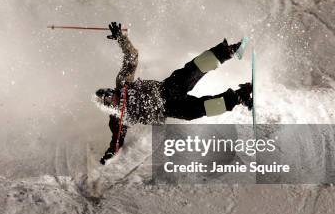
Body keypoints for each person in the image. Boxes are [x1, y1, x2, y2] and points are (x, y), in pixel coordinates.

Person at [96, 22, 252, 165]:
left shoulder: (122, 83)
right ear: (108, 106)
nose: (112, 97)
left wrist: (121, 38)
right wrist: (109, 155)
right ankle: (239, 96)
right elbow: (116, 143)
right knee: (196, 111)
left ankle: (229, 50)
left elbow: (132, 57)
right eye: (109, 100)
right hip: (167, 109)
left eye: (110, 93)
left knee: (193, 71)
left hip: (166, 90)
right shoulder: (117, 120)